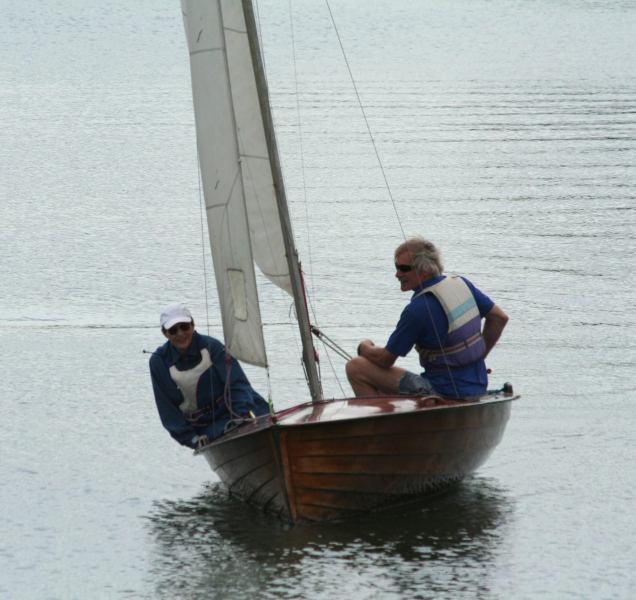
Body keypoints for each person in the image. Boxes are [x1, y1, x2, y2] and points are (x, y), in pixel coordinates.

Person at [346, 236, 509, 400]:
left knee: (356, 367)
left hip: (443, 393)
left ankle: (380, 424)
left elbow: (384, 360)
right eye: (396, 267)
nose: (397, 274)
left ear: (423, 271)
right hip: (477, 384)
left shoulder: (417, 310)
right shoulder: (462, 284)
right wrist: (477, 357)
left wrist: (365, 347)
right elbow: (499, 318)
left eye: (403, 268)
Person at [149, 303, 269, 449]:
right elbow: (168, 412)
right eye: (173, 330)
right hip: (208, 427)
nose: (180, 333)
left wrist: (240, 419)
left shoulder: (213, 347)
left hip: (241, 410)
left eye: (185, 327)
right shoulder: (158, 363)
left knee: (262, 417)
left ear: (193, 325)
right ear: (165, 333)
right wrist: (191, 439)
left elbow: (237, 384)